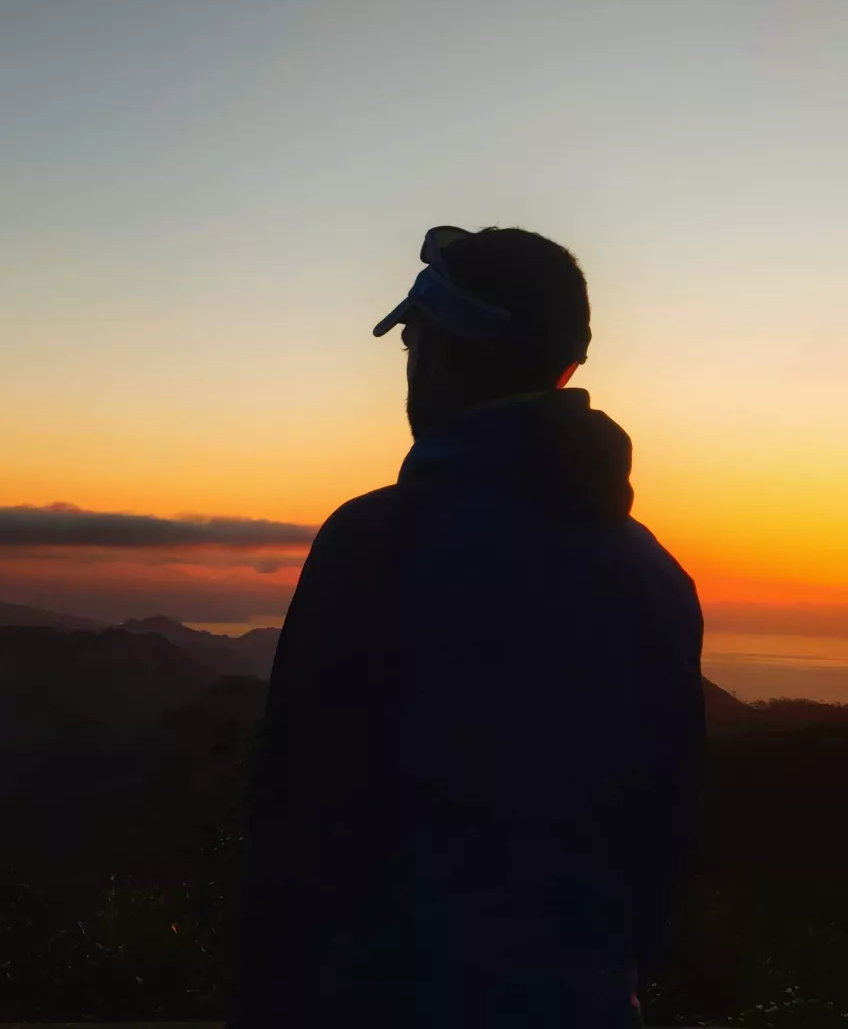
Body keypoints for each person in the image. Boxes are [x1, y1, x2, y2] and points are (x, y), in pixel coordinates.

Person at [232, 226, 705, 1028]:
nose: (409, 360)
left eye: (416, 336)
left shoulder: (379, 540)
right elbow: (666, 831)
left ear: (450, 349)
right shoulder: (654, 576)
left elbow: (295, 816)